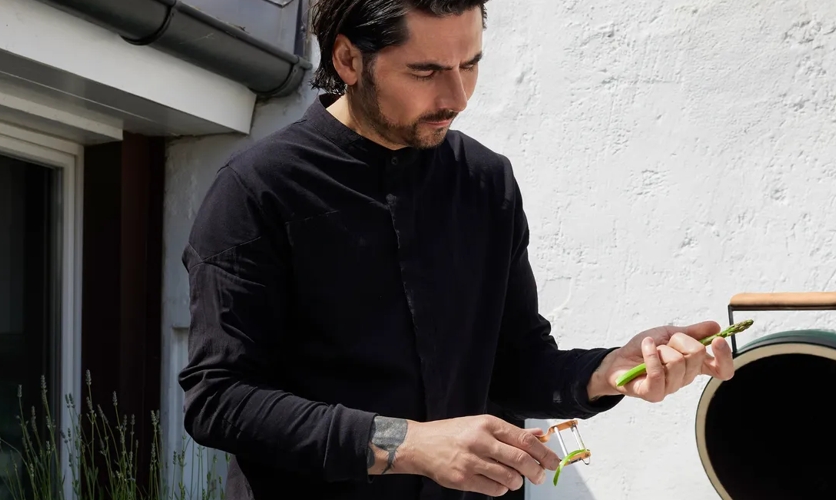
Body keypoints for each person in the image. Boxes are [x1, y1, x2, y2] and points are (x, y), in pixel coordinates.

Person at [176, 1, 738, 499]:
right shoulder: (257, 190)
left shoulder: (486, 182)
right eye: (426, 71)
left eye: (470, 65)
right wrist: (405, 444)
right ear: (348, 60)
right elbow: (220, 400)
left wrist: (608, 370)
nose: (458, 97)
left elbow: (516, 363)